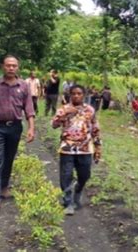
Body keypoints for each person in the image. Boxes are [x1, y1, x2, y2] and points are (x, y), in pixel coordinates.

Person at [0, 55, 35, 215]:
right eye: (8, 65)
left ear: (18, 67)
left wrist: (31, 128)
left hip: (15, 127)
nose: (11, 68)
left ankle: (3, 187)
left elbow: (29, 109)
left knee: (9, 159)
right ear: (3, 66)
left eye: (14, 66)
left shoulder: (23, 86)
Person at [51, 85, 102, 216]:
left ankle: (78, 191)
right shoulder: (64, 109)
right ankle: (68, 202)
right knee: (66, 175)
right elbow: (54, 125)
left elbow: (95, 129)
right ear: (70, 95)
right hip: (67, 148)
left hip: (85, 148)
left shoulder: (90, 110)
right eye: (73, 94)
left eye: (79, 93)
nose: (76, 96)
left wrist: (98, 147)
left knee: (85, 175)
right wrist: (65, 115)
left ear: (84, 95)